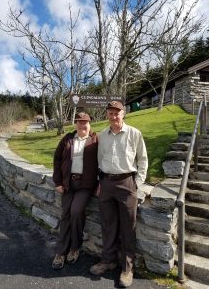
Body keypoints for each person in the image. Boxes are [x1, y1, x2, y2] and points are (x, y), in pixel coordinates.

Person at [90, 101, 148, 288]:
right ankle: (107, 260)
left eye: (117, 113)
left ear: (123, 114)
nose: (113, 116)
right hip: (106, 183)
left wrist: (136, 184)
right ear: (107, 114)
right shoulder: (103, 136)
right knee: (108, 224)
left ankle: (127, 268)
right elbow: (100, 159)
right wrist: (101, 181)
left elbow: (143, 160)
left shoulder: (134, 134)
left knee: (127, 227)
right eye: (110, 113)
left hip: (126, 183)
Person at [52, 112, 98, 270]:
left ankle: (75, 248)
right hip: (68, 184)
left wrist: (100, 185)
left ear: (90, 124)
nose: (82, 125)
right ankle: (61, 251)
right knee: (65, 215)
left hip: (85, 185)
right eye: (79, 122)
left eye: (85, 122)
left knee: (76, 211)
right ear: (75, 124)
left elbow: (103, 162)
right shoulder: (67, 139)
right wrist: (57, 181)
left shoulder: (95, 140)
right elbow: (57, 159)